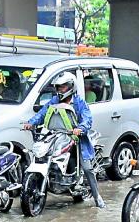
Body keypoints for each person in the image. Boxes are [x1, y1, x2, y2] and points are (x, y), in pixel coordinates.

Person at [23, 72, 105, 208]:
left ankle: (97, 197)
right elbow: (42, 114)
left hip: (76, 138)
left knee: (87, 168)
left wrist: (80, 128)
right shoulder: (54, 101)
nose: (60, 90)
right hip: (56, 136)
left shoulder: (79, 102)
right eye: (58, 87)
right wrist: (31, 123)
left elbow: (87, 119)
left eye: (63, 87)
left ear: (71, 87)